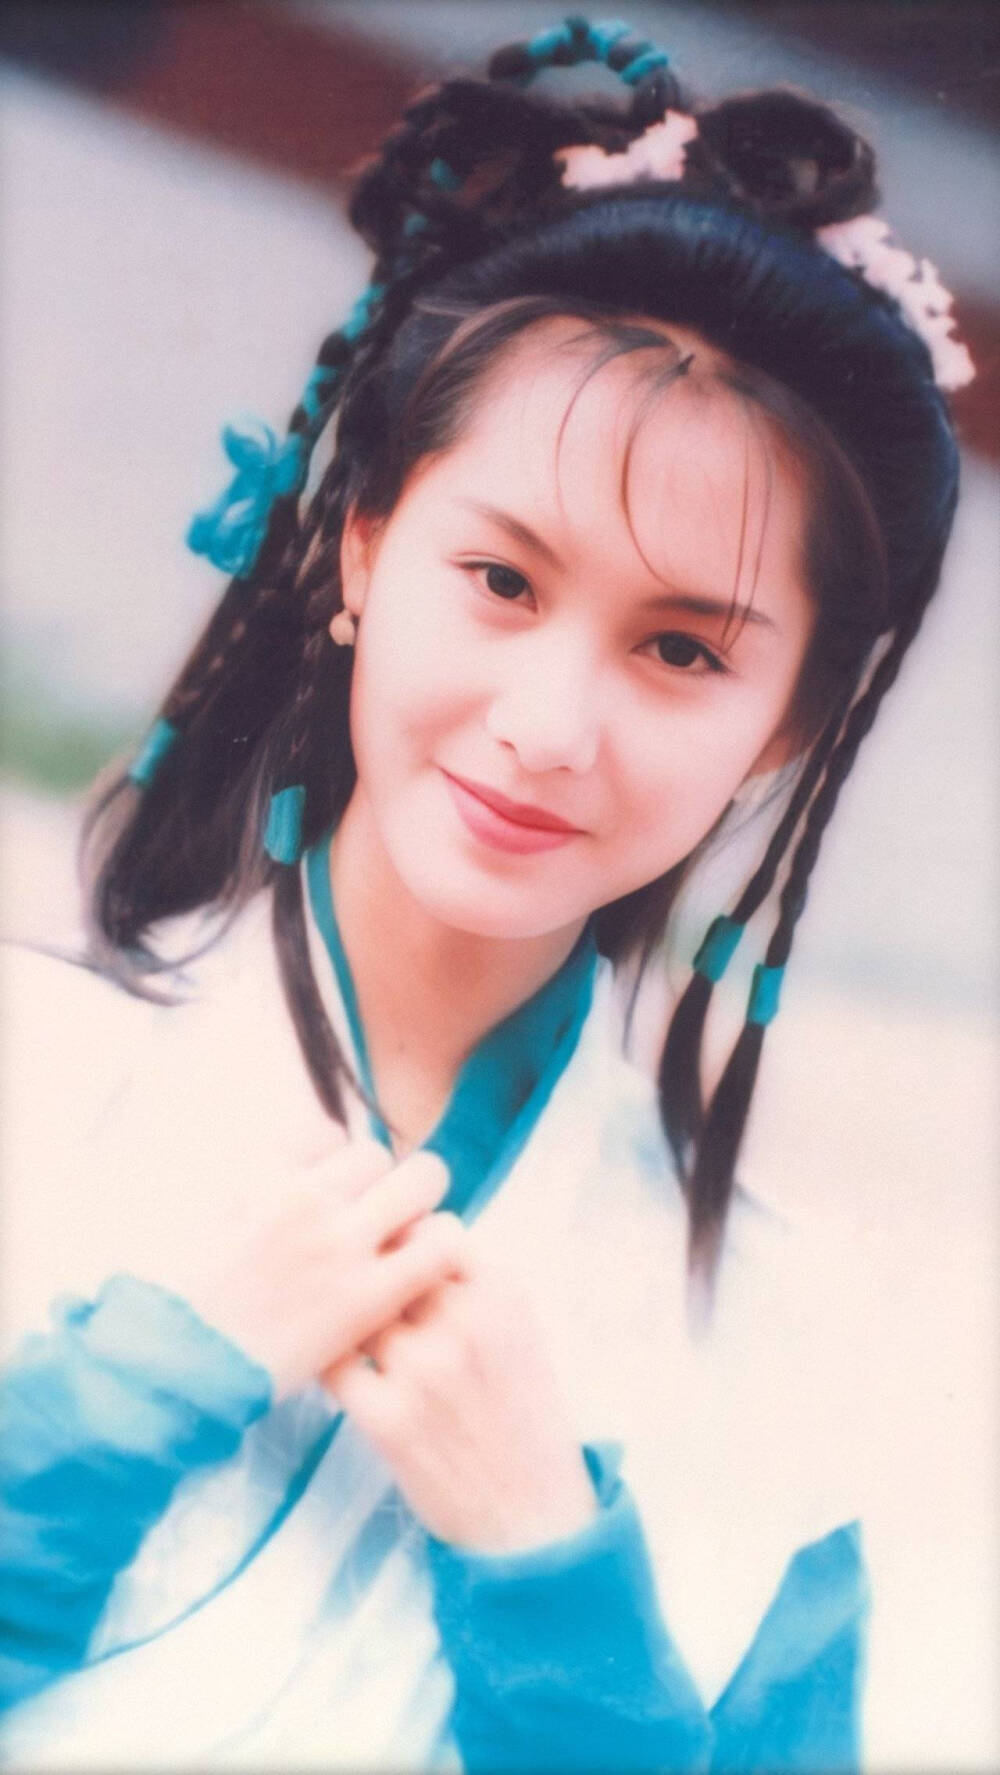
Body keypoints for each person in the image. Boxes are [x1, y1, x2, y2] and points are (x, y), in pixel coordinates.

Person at [0, 16, 976, 1772]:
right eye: (503, 581)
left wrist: (548, 1570)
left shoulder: (768, 1356)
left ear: (785, 728)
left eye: (682, 649)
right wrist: (131, 1393)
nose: (549, 727)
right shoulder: (30, 1060)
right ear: (364, 545)